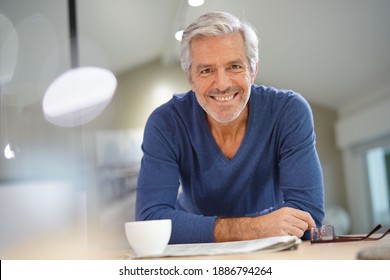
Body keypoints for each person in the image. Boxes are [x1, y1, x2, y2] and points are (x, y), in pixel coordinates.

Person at [136, 11, 324, 244]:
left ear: (253, 70)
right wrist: (255, 228)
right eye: (206, 70)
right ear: (190, 78)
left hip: (271, 250)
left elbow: (308, 218)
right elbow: (151, 224)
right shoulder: (165, 123)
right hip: (197, 254)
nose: (222, 84)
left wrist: (204, 229)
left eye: (234, 66)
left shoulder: (289, 111)